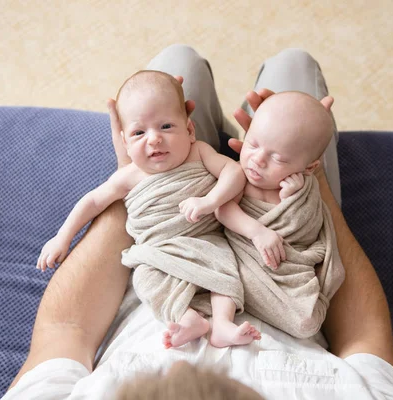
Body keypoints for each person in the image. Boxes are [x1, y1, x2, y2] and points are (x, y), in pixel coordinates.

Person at [4, 45, 393, 399]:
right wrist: (309, 176)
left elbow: (64, 332)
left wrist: (139, 187)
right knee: (295, 69)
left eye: (169, 126)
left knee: (177, 62)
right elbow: (365, 336)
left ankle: (209, 112)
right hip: (276, 222)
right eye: (142, 132)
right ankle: (265, 127)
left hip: (178, 235)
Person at [35, 70, 260, 350]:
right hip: (159, 252)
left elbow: (233, 171)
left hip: (206, 241)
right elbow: (92, 202)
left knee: (225, 269)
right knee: (145, 278)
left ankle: (223, 324)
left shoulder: (199, 152)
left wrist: (210, 201)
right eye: (139, 132)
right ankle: (188, 319)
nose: (153, 139)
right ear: (126, 142)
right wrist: (62, 237)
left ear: (189, 130)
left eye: (166, 126)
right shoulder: (129, 175)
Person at [216, 91, 345, 339]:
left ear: (309, 168)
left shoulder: (303, 186)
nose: (257, 160)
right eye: (252, 144)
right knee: (222, 273)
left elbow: (307, 228)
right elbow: (223, 209)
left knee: (306, 318)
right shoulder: (238, 175)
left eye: (278, 158)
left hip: (289, 266)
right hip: (249, 257)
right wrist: (257, 232)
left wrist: (294, 198)